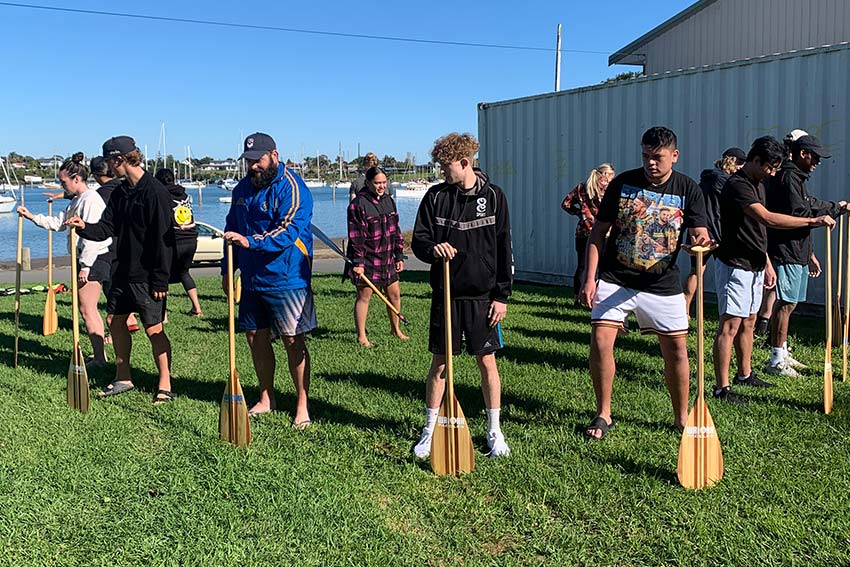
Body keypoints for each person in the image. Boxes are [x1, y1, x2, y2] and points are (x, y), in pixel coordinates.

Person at [578, 126, 711, 439]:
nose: (651, 162)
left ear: (674, 156)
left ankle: (681, 418)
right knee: (600, 341)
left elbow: (699, 231)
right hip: (615, 277)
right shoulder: (623, 183)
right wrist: (589, 278)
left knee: (677, 350)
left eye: (658, 157)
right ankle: (603, 414)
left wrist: (701, 243)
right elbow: (598, 232)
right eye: (646, 156)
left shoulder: (688, 188)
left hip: (663, 282)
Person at [411, 132, 513, 458]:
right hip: (446, 296)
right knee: (440, 365)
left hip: (483, 298)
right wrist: (432, 248)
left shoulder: (495, 197)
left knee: (487, 363)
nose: (442, 172)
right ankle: (429, 430)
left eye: (445, 166)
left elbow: (504, 249)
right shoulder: (435, 197)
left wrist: (502, 296)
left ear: (465, 163)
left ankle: (494, 431)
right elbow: (420, 242)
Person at [712, 136, 834, 403]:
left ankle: (744, 374)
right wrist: (812, 220)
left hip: (755, 263)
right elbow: (766, 219)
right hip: (735, 263)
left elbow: (758, 231)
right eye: (769, 167)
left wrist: (766, 263)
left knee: (750, 321)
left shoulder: (758, 184)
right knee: (729, 326)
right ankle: (722, 388)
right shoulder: (738, 185)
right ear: (755, 161)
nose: (773, 172)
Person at [65, 136, 176, 405]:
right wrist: (84, 227)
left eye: (109, 163)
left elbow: (165, 240)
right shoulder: (120, 192)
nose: (109, 169)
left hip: (148, 274)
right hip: (122, 271)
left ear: (119, 160)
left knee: (154, 329)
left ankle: (165, 384)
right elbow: (106, 228)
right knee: (115, 322)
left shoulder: (155, 192)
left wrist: (160, 280)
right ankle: (123, 376)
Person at [222, 132, 316, 428]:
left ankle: (302, 403)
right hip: (252, 278)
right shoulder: (242, 189)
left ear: (274, 155)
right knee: (254, 337)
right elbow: (230, 229)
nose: (253, 166)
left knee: (292, 340)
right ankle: (266, 397)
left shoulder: (293, 188)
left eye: (258, 159)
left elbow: (288, 231)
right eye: (248, 160)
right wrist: (228, 268)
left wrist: (250, 242)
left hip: (287, 277)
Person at [18, 153, 111, 367]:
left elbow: (94, 237)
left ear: (76, 179)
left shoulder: (91, 201)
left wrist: (85, 267)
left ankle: (99, 358)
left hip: (95, 258)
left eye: (63, 182)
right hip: (85, 259)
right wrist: (32, 217)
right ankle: (99, 356)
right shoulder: (77, 200)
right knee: (86, 308)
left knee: (87, 308)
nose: (62, 186)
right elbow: (59, 223)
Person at [764, 134, 846, 377]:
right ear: (803, 154)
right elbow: (799, 212)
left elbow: (807, 204)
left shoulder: (797, 177)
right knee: (786, 303)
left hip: (798, 248)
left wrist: (836, 208)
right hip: (787, 248)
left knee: (791, 303)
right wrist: (828, 211)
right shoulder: (789, 177)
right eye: (815, 157)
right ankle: (776, 359)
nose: (818, 162)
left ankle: (783, 351)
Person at [754, 129, 809, 337]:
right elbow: (780, 213)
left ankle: (764, 326)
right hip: (779, 241)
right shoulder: (786, 174)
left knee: (774, 288)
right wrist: (813, 218)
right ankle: (773, 343)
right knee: (780, 294)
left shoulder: (786, 172)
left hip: (783, 240)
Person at [346, 165, 407, 346]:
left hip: (388, 257)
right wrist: (358, 262)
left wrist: (399, 255)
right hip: (367, 258)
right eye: (377, 183)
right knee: (364, 296)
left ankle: (396, 329)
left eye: (383, 182)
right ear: (367, 183)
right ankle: (361, 336)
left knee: (394, 294)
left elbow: (396, 230)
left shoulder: (389, 200)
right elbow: (356, 236)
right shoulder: (358, 205)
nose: (381, 186)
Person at [683, 147, 745, 314]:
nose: (741, 167)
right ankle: (728, 311)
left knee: (696, 271)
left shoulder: (707, 178)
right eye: (739, 163)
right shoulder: (724, 180)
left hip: (699, 228)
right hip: (717, 231)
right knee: (725, 271)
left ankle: (685, 311)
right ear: (731, 161)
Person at [561, 163, 614, 303]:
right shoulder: (608, 189)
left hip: (583, 231)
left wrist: (580, 213)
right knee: (603, 266)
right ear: (606, 175)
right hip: (604, 232)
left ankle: (577, 297)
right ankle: (600, 298)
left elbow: (565, 203)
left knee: (582, 266)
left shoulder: (582, 187)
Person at [154, 168, 203, 318]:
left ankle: (163, 315)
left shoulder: (163, 196)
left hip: (174, 239)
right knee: (184, 272)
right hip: (191, 238)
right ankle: (197, 308)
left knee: (164, 274)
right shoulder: (185, 195)